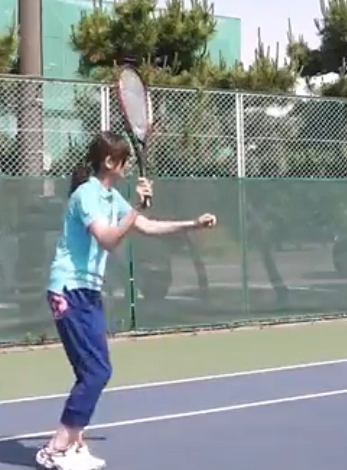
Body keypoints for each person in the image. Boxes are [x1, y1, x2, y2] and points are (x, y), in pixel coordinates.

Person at [35, 131, 217, 470]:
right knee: (96, 370)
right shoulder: (87, 194)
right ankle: (56, 446)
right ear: (109, 162)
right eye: (124, 160)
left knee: (91, 369)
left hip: (86, 292)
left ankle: (74, 445)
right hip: (67, 290)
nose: (128, 166)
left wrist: (192, 224)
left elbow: (146, 226)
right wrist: (133, 208)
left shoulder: (109, 196)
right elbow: (107, 239)